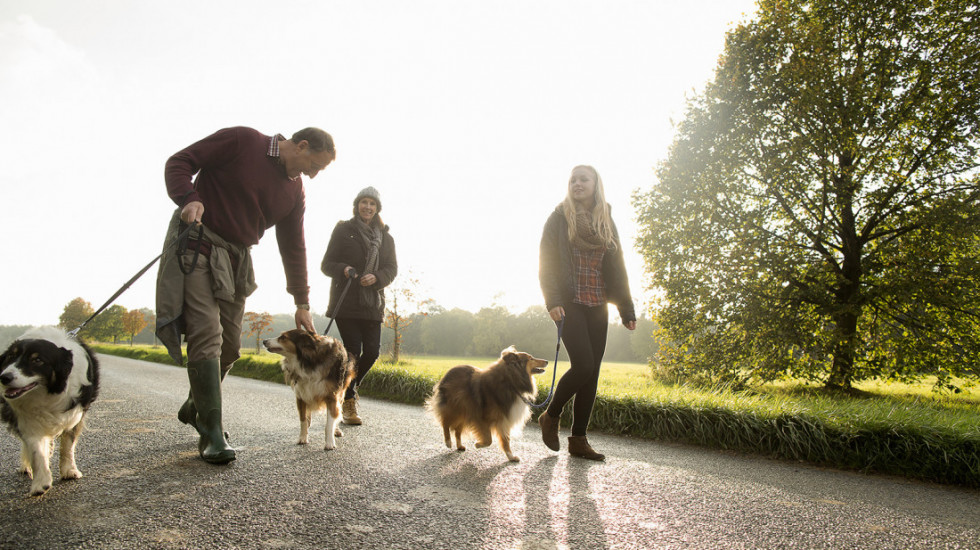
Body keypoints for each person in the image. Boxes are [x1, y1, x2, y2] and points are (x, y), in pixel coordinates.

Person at [155, 126, 335, 464]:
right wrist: (189, 197)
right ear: (301, 145)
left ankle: (196, 407)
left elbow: (293, 245)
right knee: (206, 333)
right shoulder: (243, 141)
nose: (312, 175)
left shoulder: (294, 191)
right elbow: (180, 162)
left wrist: (301, 301)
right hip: (198, 243)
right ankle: (211, 432)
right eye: (314, 166)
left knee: (231, 347)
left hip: (236, 260)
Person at [537, 165, 636, 461]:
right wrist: (552, 299)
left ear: (596, 184)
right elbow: (547, 261)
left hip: (598, 303)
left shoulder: (605, 220)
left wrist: (626, 308)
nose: (577, 184)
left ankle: (578, 440)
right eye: (573, 180)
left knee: (592, 374)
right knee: (583, 365)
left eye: (584, 179)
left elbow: (617, 267)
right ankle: (551, 415)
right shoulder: (558, 218)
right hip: (569, 302)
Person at [321, 186, 398, 425]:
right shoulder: (344, 230)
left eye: (372, 204)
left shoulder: (386, 238)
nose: (368, 207)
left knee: (373, 352)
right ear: (357, 205)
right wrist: (344, 269)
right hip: (346, 301)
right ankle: (349, 402)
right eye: (364, 202)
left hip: (372, 303)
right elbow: (327, 264)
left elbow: (391, 269)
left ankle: (346, 386)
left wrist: (377, 277)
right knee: (353, 350)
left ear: (377, 209)